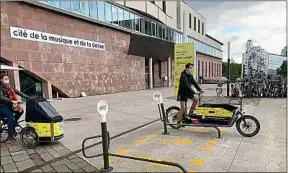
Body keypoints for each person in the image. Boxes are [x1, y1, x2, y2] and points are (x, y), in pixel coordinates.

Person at [0, 73, 29, 140]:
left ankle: (11, 123)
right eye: (6, 79)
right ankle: (10, 135)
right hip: (2, 106)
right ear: (1, 80)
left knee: (20, 111)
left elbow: (18, 92)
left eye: (8, 79)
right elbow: (1, 97)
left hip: (10, 105)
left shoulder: (10, 87)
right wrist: (10, 101)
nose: (8, 80)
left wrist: (28, 97)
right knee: (12, 118)